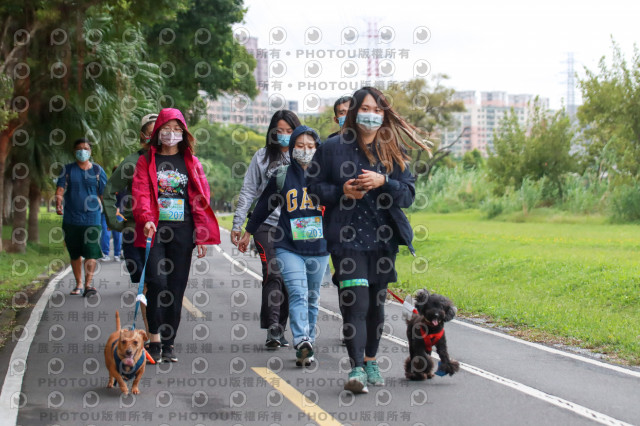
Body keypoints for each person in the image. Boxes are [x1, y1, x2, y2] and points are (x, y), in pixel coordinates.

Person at [307, 86, 432, 394]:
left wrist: (384, 181)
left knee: (376, 305)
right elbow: (313, 187)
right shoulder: (333, 148)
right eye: (366, 109)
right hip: (346, 238)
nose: (372, 115)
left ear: (384, 115)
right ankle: (356, 368)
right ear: (353, 112)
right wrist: (342, 192)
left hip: (383, 238)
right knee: (356, 303)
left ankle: (372, 360)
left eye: (378, 111)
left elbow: (408, 194)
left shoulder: (392, 151)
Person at [132, 108, 220, 363]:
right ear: (157, 132)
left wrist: (202, 236)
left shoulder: (191, 162)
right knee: (157, 282)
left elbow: (202, 200)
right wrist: (147, 218)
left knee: (176, 287)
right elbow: (140, 193)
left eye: (177, 129)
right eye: (167, 129)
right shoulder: (146, 161)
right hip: (155, 230)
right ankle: (155, 337)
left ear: (184, 133)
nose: (172, 134)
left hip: (184, 231)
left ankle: (168, 342)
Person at [238, 125, 328, 366]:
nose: (305, 150)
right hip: (288, 246)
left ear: (317, 148)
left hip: (320, 248)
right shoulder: (282, 175)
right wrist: (247, 232)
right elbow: (263, 206)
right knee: (298, 293)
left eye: (310, 146)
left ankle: (308, 343)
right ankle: (301, 340)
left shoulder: (328, 174)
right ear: (292, 148)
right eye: (300, 146)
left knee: (312, 296)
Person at [231, 110, 301, 348]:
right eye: (279, 131)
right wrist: (239, 224)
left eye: (289, 131)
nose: (284, 136)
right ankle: (272, 328)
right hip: (266, 225)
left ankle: (281, 327)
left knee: (289, 278)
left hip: (296, 227)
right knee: (273, 272)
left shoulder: (305, 157)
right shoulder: (261, 157)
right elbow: (249, 190)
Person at [103, 113, 157, 335]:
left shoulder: (176, 162)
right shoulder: (131, 163)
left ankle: (161, 334)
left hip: (167, 235)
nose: (157, 137)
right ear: (142, 135)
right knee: (146, 284)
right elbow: (108, 192)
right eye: (152, 132)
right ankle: (152, 335)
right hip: (135, 233)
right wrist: (116, 224)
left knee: (161, 285)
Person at [55, 138, 107, 296]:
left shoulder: (98, 171)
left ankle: (88, 284)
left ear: (90, 151)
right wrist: (58, 202)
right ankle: (78, 284)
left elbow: (104, 195)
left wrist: (110, 215)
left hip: (93, 218)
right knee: (75, 253)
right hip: (71, 218)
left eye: (85, 148)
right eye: (79, 148)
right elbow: (60, 189)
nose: (82, 151)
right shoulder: (67, 170)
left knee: (91, 252)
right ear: (74, 151)